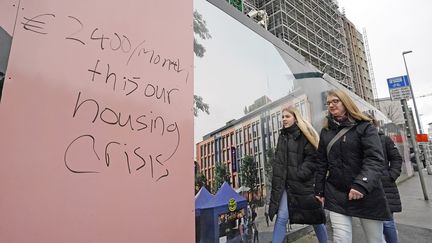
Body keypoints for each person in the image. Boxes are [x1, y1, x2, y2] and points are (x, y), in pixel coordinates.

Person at [314, 89, 391, 243]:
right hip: (337, 193)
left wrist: (361, 184)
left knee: (375, 239)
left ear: (345, 102)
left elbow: (375, 159)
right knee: (341, 239)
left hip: (367, 192)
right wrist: (319, 190)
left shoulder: (365, 127)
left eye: (335, 101)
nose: (331, 105)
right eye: (328, 103)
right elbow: (321, 163)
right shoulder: (326, 132)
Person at [269, 106, 327, 243]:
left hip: (304, 184)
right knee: (282, 217)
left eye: (287, 116)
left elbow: (313, 158)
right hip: (286, 184)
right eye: (282, 117)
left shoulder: (303, 134)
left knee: (316, 219)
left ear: (295, 118)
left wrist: (300, 173)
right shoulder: (282, 136)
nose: (284, 119)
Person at [371, 118, 403, 243]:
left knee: (387, 222)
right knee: (373, 225)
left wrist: (391, 176)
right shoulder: (359, 140)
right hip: (368, 187)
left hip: (385, 186)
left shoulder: (384, 140)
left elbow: (396, 159)